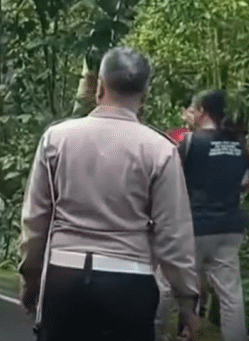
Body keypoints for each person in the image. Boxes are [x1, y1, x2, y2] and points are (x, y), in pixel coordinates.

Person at [19, 46, 203, 341]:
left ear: (99, 87)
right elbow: (174, 234)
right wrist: (187, 302)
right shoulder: (160, 150)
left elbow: (35, 218)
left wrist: (31, 276)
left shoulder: (57, 138)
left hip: (64, 275)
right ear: (144, 96)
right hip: (129, 282)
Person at [169, 90, 249, 341]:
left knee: (176, 285)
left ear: (202, 110)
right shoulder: (239, 145)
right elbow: (245, 181)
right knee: (231, 295)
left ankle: (168, 332)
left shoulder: (191, 142)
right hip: (229, 227)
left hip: (195, 226)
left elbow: (173, 180)